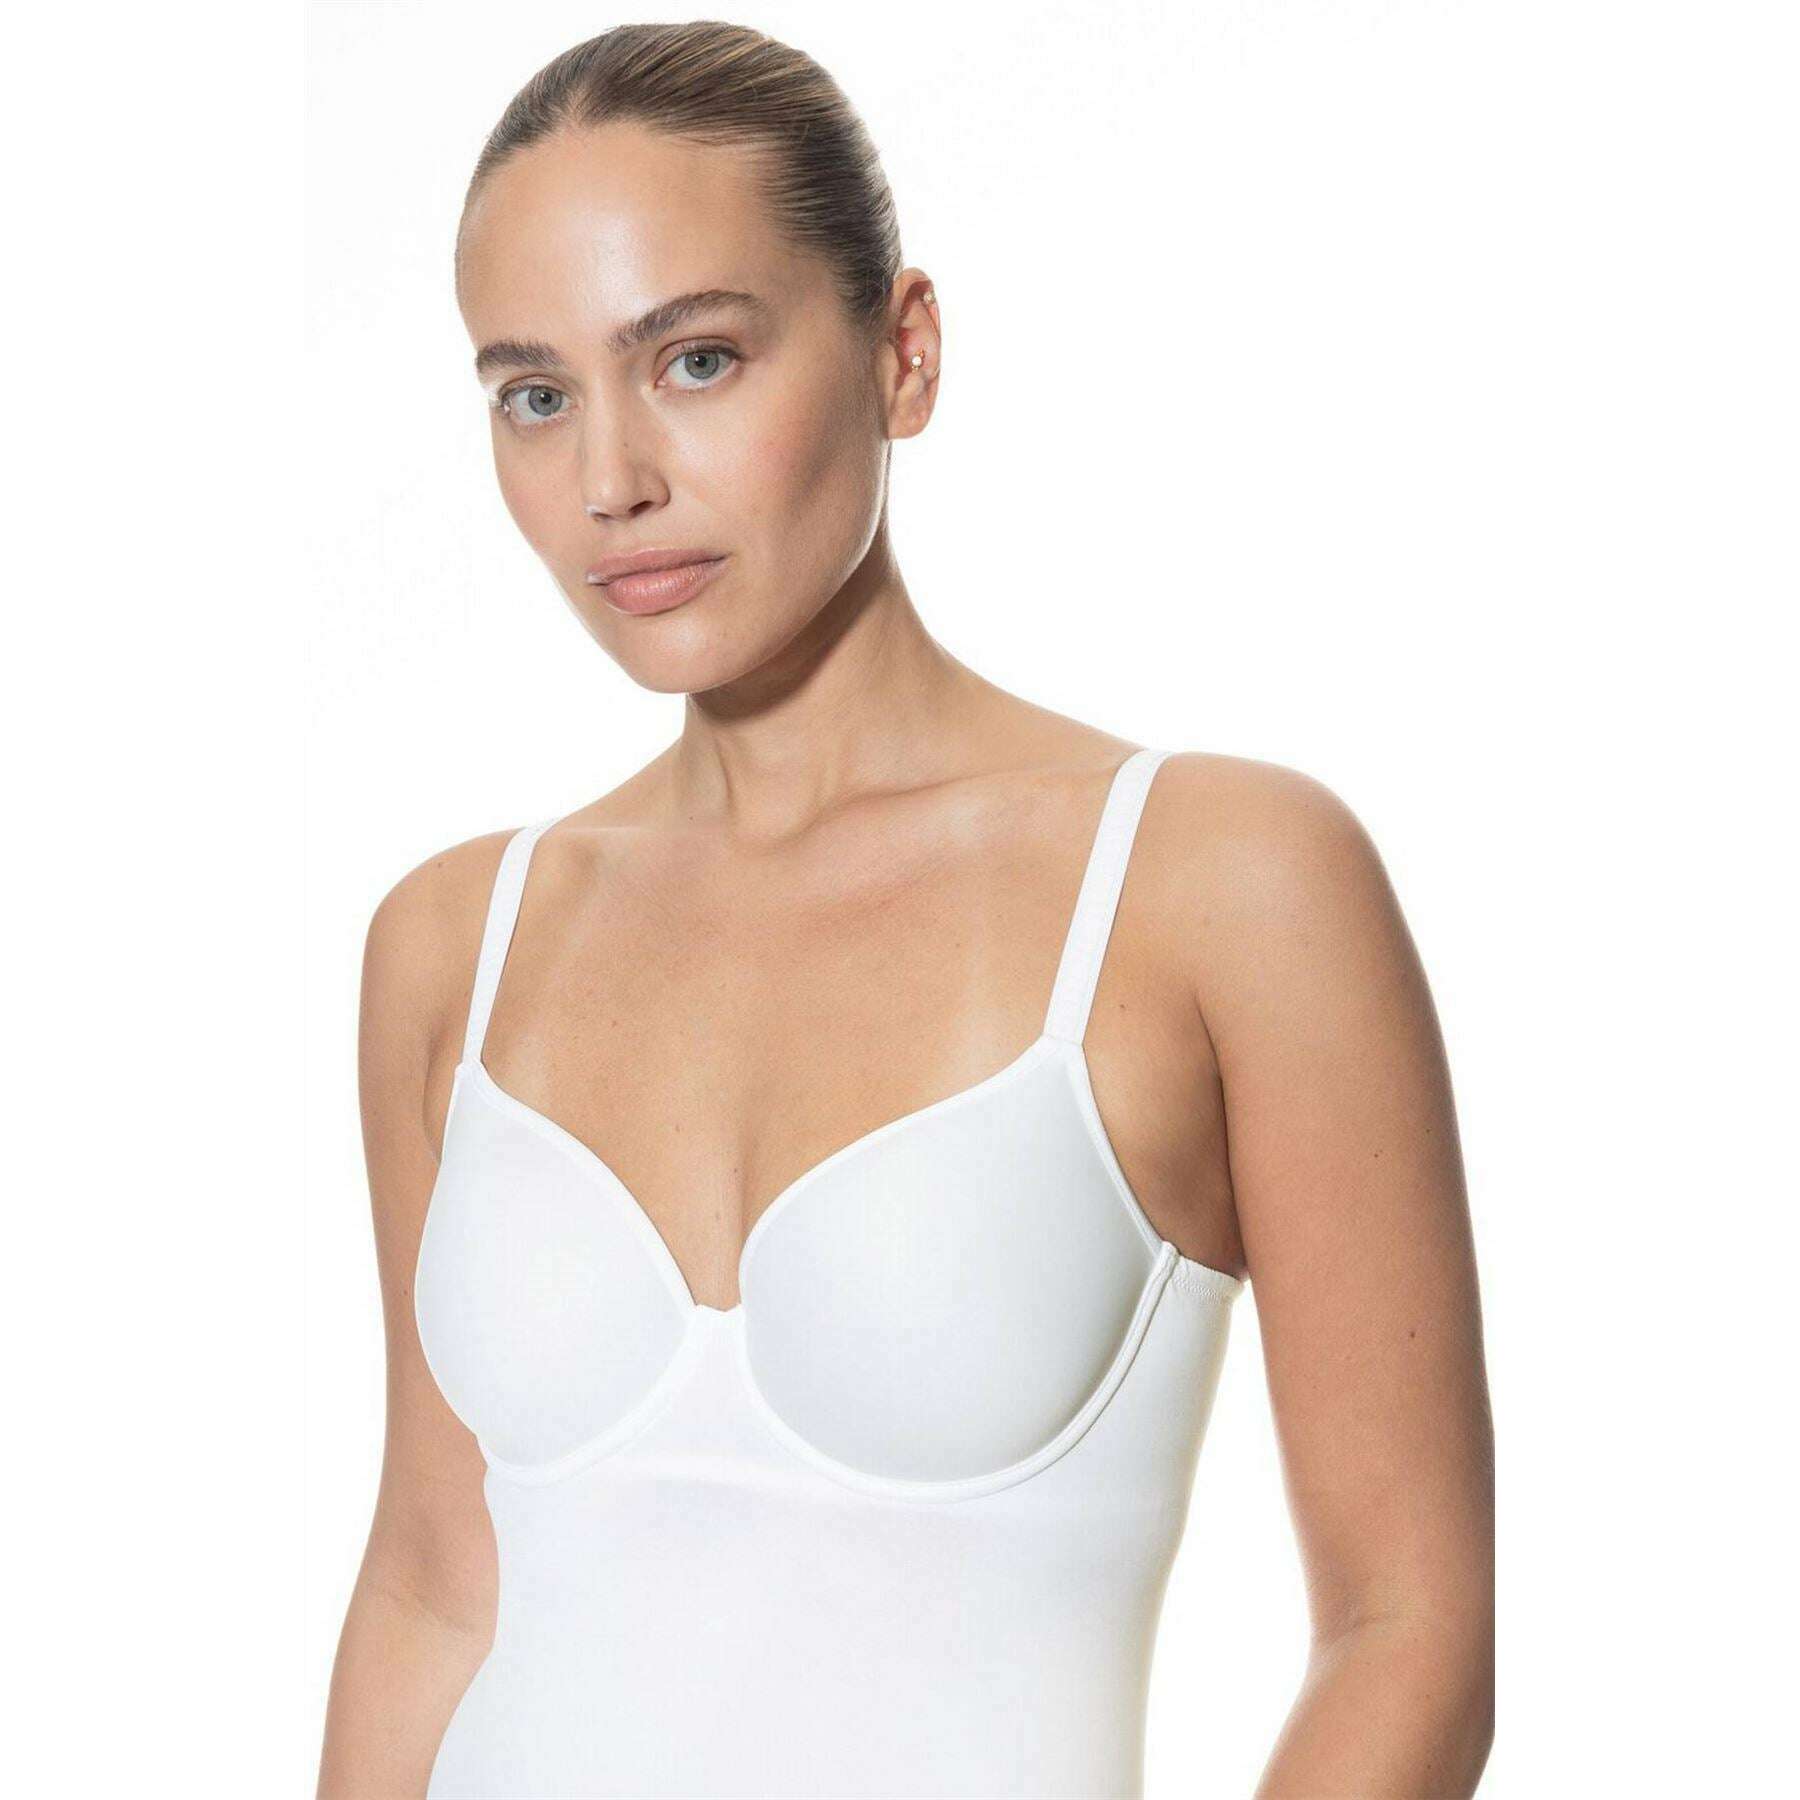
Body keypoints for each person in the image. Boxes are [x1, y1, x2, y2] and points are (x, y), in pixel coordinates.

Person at [316, 22, 1493, 1799]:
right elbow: (430, 1586)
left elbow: (1410, 1630)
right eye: (533, 394)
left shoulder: (1216, 883)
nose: (611, 480)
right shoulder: (452, 944)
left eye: (697, 359)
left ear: (904, 351)